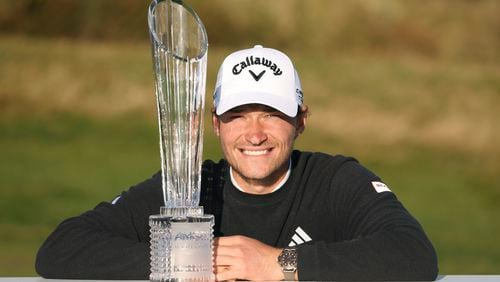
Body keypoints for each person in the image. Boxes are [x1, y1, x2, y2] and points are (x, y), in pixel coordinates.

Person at [35, 45, 438, 281]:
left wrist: (277, 265)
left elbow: (413, 253)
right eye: (238, 115)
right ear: (216, 125)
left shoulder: (334, 180)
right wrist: (184, 261)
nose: (255, 133)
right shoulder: (190, 185)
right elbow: (60, 249)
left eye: (272, 114)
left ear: (301, 121)